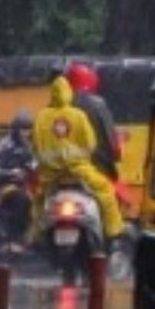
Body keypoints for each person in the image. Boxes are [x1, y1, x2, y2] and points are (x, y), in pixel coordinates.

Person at [31, 75, 126, 246]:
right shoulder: (79, 115)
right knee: (105, 190)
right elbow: (91, 143)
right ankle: (114, 232)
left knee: (39, 199)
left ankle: (34, 237)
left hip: (51, 174)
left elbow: (35, 145)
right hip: (79, 170)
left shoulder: (42, 117)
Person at [64, 63, 122, 181]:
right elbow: (113, 145)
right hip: (96, 170)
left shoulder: (55, 107)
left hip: (62, 171)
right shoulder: (98, 105)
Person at [0, 110, 38, 242]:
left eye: (28, 130)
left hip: (26, 186)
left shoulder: (30, 146)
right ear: (16, 129)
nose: (26, 133)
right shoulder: (5, 145)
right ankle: (14, 238)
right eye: (23, 129)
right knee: (21, 200)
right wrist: (12, 172)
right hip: (5, 186)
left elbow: (34, 163)